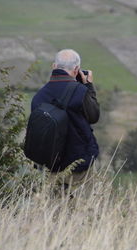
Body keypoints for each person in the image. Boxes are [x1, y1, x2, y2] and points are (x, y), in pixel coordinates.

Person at [31, 49, 100, 189]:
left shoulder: (39, 96)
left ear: (54, 66)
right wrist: (89, 86)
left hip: (49, 167)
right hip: (79, 166)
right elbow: (94, 116)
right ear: (76, 70)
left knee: (52, 209)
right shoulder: (81, 92)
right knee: (82, 208)